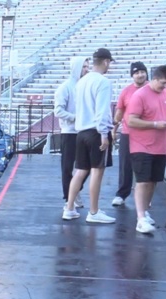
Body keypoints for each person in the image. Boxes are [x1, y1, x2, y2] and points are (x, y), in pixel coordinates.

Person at [62, 48, 115, 224]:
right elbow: (102, 111)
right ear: (106, 61)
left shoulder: (81, 82)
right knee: (97, 171)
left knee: (80, 171)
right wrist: (104, 134)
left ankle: (69, 208)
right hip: (95, 132)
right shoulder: (103, 82)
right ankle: (93, 212)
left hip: (81, 132)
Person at [125, 65, 166, 234]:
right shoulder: (140, 95)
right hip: (142, 145)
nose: (164, 86)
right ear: (154, 79)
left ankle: (145, 211)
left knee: (153, 181)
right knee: (142, 181)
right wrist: (155, 124)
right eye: (162, 83)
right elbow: (131, 120)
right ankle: (140, 218)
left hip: (160, 146)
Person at [54, 56, 91, 210]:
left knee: (86, 165)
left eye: (88, 67)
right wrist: (74, 118)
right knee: (67, 166)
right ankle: (68, 197)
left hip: (83, 130)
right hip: (69, 132)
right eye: (84, 67)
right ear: (76, 68)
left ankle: (75, 190)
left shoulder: (85, 86)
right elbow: (58, 110)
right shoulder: (65, 87)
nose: (87, 70)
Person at [112, 62, 148, 207]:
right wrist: (113, 130)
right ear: (132, 75)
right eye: (136, 72)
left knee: (145, 166)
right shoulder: (126, 91)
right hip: (128, 132)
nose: (140, 75)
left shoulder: (154, 89)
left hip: (148, 134)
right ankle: (122, 194)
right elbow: (119, 112)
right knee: (125, 164)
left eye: (142, 72)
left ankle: (145, 197)